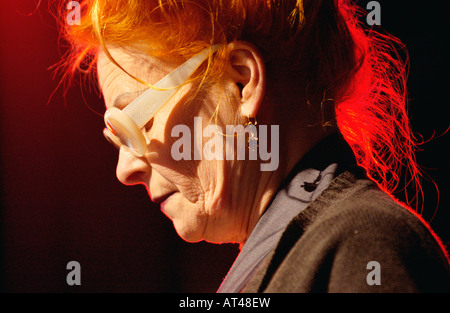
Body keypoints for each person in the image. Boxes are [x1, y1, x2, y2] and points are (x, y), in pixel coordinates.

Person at [58, 0, 450, 292]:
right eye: (117, 139)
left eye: (137, 122)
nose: (124, 169)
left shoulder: (365, 244)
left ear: (241, 81)